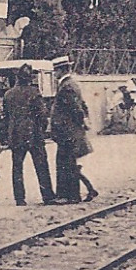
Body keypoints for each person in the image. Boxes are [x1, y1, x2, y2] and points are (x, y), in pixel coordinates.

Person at [2, 67, 55, 205]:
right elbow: (42, 114)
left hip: (15, 135)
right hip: (34, 134)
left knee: (17, 167)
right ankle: (47, 196)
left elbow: (6, 117)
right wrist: (42, 130)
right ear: (29, 78)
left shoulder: (8, 94)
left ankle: (19, 199)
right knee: (41, 165)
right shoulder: (34, 92)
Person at [50, 65, 96, 202]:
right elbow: (82, 105)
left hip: (67, 132)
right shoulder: (70, 84)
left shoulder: (67, 86)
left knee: (66, 163)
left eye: (56, 71)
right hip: (70, 131)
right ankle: (82, 191)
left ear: (62, 70)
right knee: (69, 163)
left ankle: (70, 196)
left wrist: (79, 122)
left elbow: (76, 108)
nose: (54, 74)